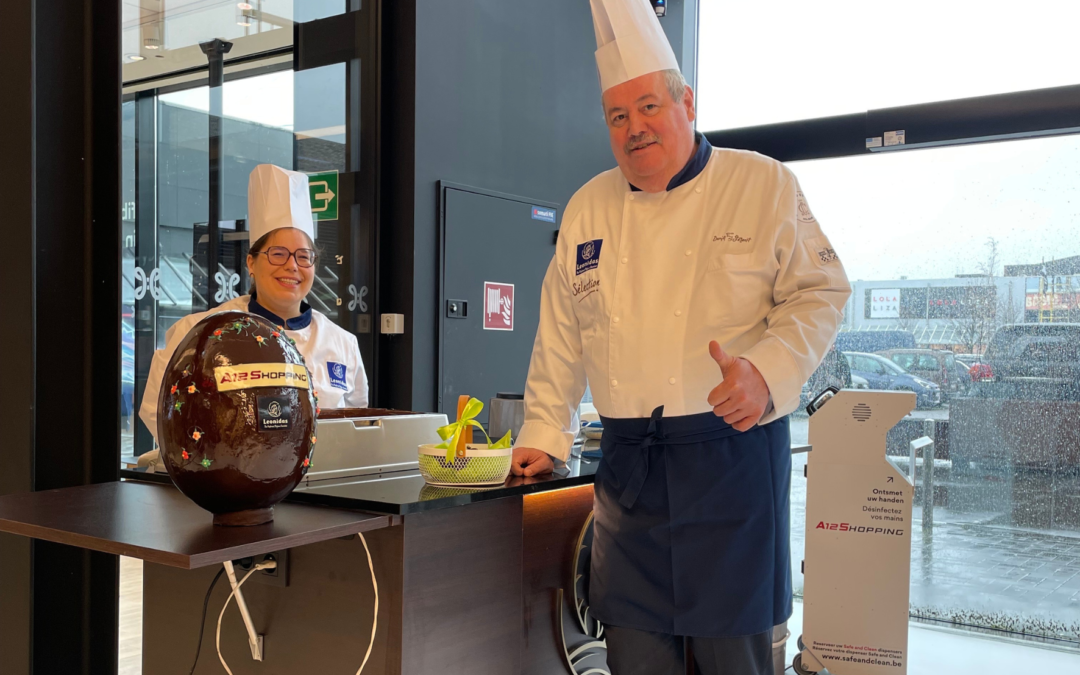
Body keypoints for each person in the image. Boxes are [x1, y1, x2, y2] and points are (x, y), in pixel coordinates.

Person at [510, 2, 851, 674]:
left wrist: (766, 373)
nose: (634, 128)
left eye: (647, 107)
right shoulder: (588, 208)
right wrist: (543, 433)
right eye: (617, 116)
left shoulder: (761, 184)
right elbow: (561, 336)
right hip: (630, 477)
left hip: (729, 462)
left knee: (733, 662)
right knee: (635, 655)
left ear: (685, 101)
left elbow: (822, 290)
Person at [138, 164, 368, 452]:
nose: (292, 266)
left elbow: (358, 421)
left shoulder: (342, 343)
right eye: (278, 254)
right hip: (223, 488)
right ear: (251, 263)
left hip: (324, 489)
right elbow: (158, 411)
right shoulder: (199, 332)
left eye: (303, 256)